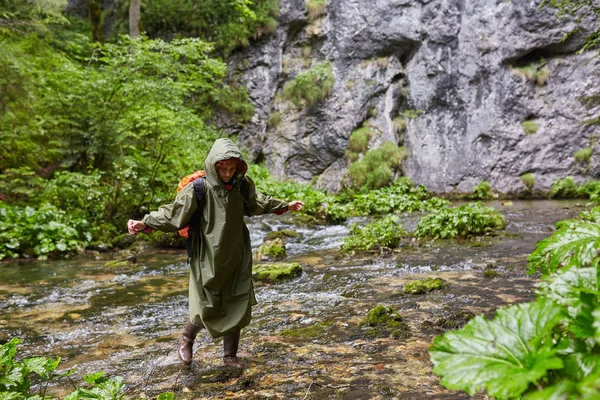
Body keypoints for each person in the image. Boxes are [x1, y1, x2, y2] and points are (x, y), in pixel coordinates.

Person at [127, 138, 303, 368]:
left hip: (237, 251)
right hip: (206, 252)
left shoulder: (242, 185)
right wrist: (144, 222)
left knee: (237, 299)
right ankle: (186, 339)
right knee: (206, 300)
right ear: (214, 166)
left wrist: (284, 205)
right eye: (223, 169)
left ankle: (230, 356)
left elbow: (257, 203)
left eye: (232, 168)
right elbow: (174, 214)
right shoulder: (198, 188)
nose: (228, 173)